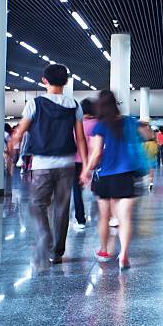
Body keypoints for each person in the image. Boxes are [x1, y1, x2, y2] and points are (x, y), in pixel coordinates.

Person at [8, 63, 88, 270]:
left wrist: (11, 142)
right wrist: (86, 165)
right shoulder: (74, 105)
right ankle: (56, 253)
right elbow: (80, 139)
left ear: (44, 80)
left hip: (42, 164)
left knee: (37, 205)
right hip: (68, 163)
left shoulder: (35, 104)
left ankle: (45, 236)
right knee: (61, 208)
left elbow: (21, 130)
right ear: (66, 82)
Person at [81, 90, 143, 271]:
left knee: (104, 216)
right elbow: (139, 141)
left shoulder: (100, 126)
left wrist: (86, 171)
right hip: (126, 175)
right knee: (125, 217)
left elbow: (97, 153)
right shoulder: (128, 122)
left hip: (105, 176)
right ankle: (123, 254)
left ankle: (104, 250)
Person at [72, 98, 97, 230]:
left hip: (77, 161)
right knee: (102, 190)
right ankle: (109, 216)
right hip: (96, 160)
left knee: (77, 191)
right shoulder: (98, 123)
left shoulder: (77, 124)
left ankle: (80, 220)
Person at [140, 124, 158, 191]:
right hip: (152, 158)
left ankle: (146, 182)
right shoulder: (154, 142)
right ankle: (150, 183)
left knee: (145, 171)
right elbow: (156, 151)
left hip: (146, 158)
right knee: (151, 171)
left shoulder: (145, 142)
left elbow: (143, 151)